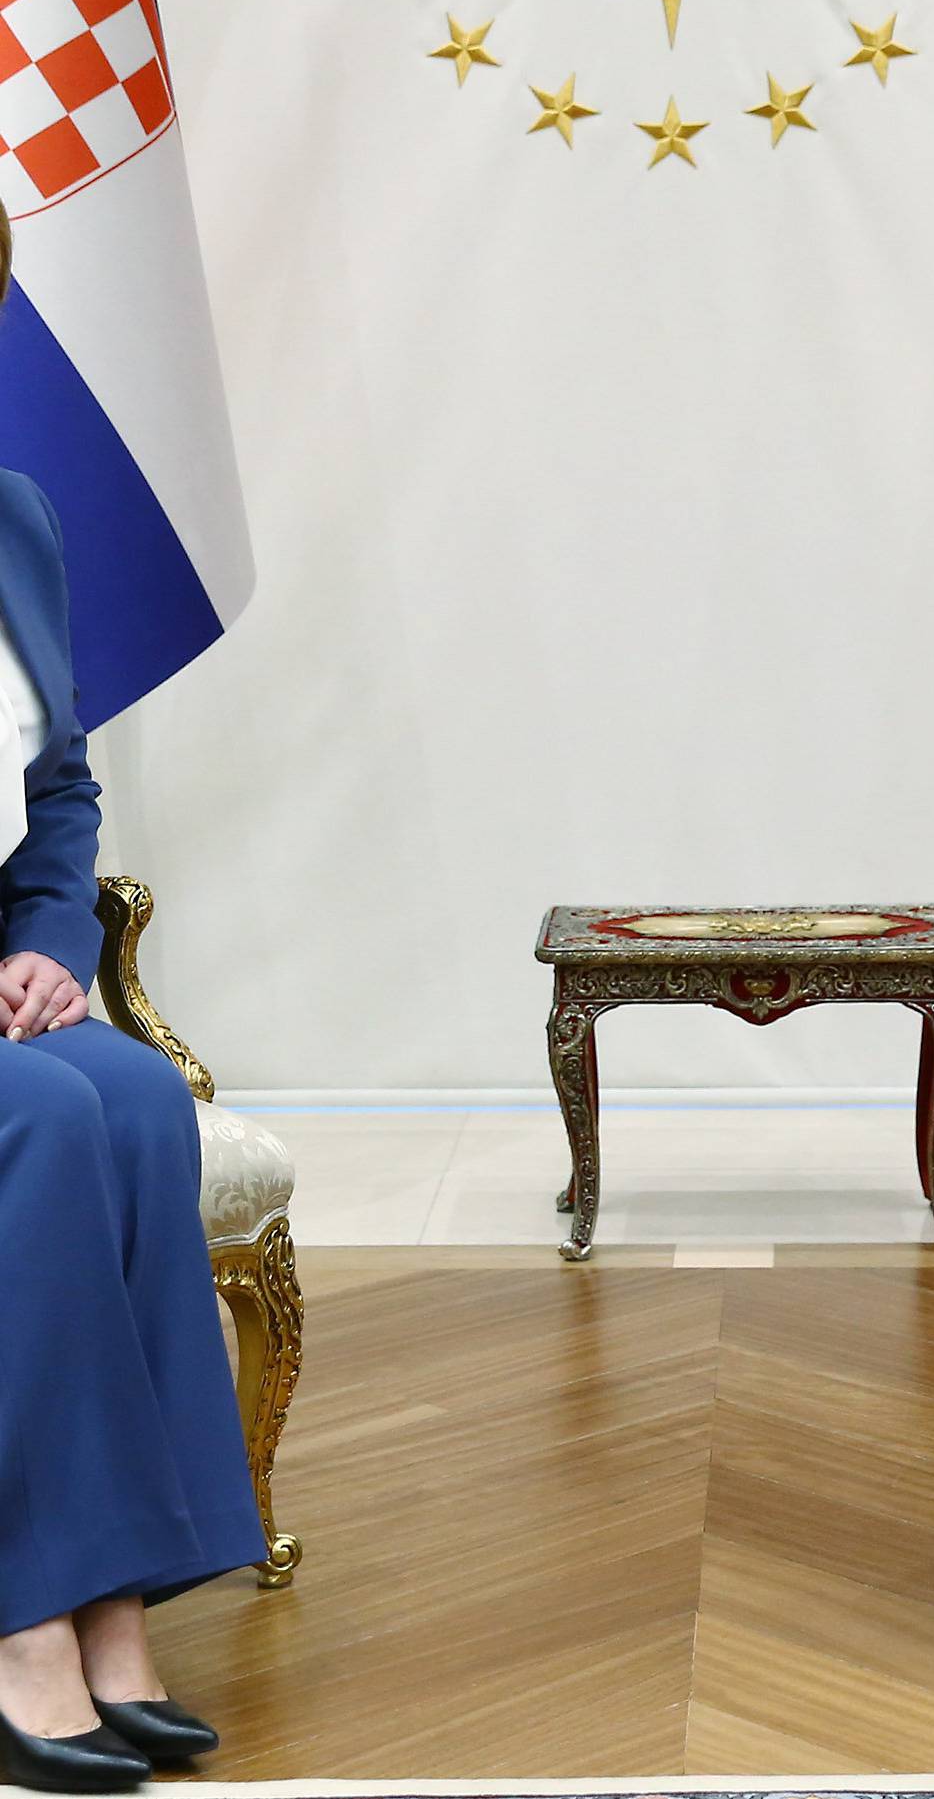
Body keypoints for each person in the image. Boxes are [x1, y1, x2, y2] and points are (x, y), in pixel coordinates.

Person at [0, 200, 264, 1792]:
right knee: (35, 1117)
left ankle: (114, 1606)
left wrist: (49, 944)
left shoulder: (15, 513)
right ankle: (26, 1611)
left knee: (135, 1092)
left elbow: (59, 789)